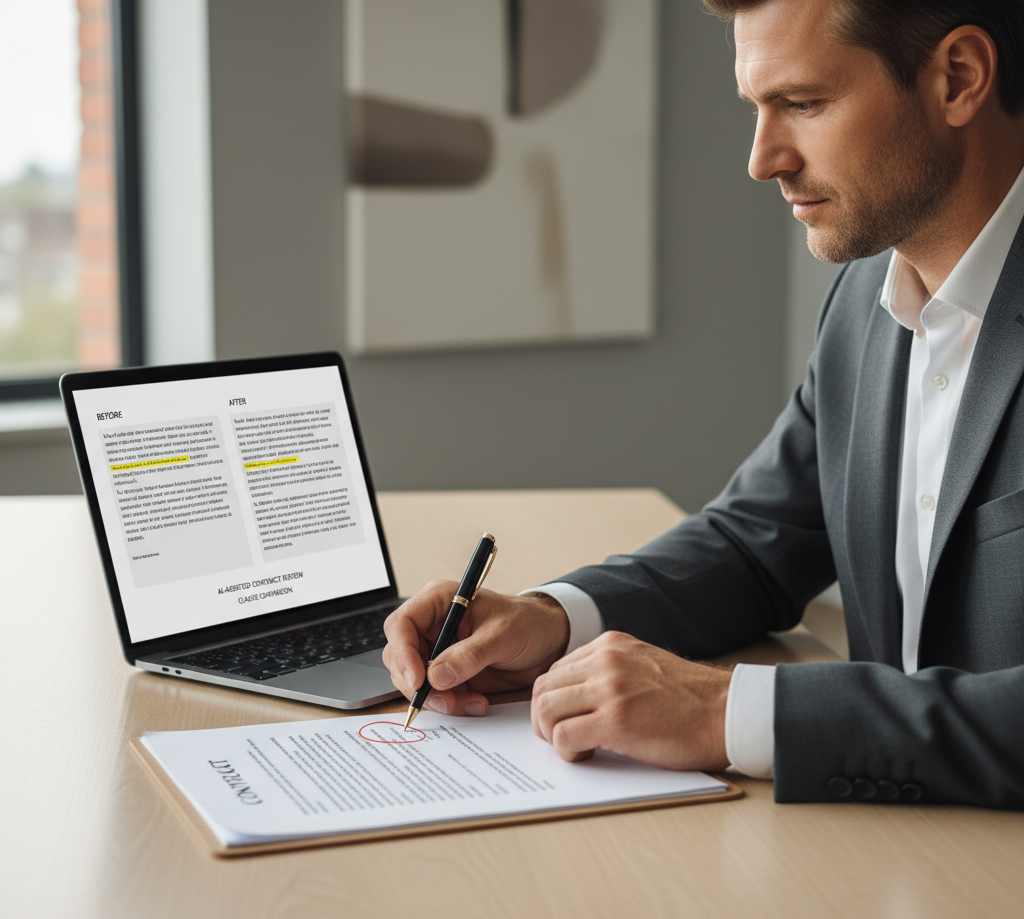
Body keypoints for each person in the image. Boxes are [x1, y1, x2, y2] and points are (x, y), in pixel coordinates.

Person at [382, 0, 1024, 808]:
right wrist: (554, 621)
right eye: (756, 107)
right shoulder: (867, 300)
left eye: (803, 103)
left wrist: (731, 712)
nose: (761, 159)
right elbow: (759, 541)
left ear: (957, 78)